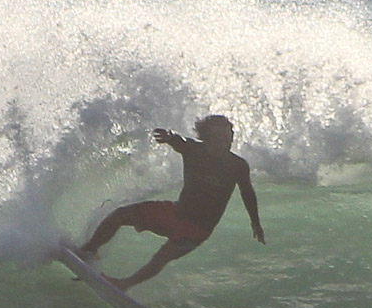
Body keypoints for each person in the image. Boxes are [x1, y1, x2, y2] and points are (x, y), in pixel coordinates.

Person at [78, 115, 265, 291]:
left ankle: (124, 284)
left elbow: (247, 192)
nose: (223, 144)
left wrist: (255, 222)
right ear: (206, 139)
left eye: (227, 139)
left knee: (163, 256)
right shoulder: (194, 150)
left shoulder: (237, 165)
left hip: (197, 229)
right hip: (175, 213)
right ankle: (89, 250)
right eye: (218, 139)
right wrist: (169, 136)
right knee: (120, 215)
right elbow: (179, 141)